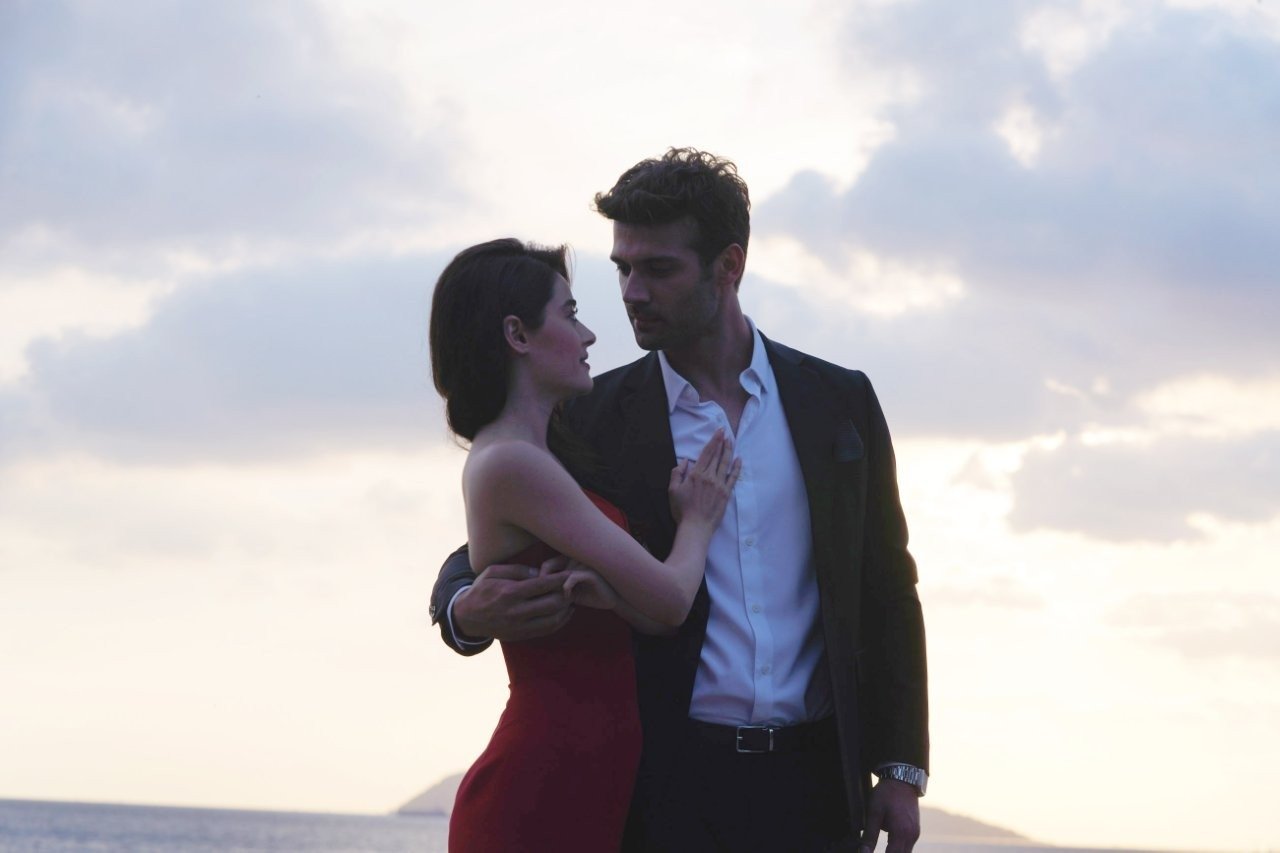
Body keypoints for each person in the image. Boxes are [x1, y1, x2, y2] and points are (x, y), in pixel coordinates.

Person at [430, 150, 929, 852]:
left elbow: (888, 585)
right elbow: (494, 531)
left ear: (729, 266)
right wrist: (462, 608)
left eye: (658, 269)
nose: (632, 292)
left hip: (818, 782)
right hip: (666, 786)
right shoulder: (589, 417)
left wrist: (901, 768)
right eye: (623, 269)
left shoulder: (838, 402)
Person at [429, 238, 741, 853]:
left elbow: (652, 614)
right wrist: (698, 520)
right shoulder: (514, 463)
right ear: (517, 334)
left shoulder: (542, 453)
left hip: (588, 786)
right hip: (538, 793)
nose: (590, 334)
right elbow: (672, 599)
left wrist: (614, 598)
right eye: (570, 314)